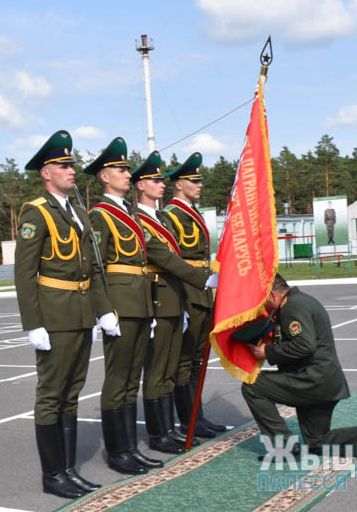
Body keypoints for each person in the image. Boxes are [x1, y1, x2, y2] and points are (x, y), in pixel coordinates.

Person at [15, 130, 113, 499]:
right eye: (63, 165)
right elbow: (24, 274)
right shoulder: (36, 212)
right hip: (54, 318)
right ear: (46, 172)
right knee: (51, 394)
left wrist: (99, 313)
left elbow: (92, 268)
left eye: (71, 165)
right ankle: (52, 474)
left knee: (71, 393)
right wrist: (33, 324)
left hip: (80, 313)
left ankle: (68, 469)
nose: (71, 170)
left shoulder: (78, 212)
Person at [242, 274, 357, 458]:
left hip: (312, 380)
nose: (263, 306)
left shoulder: (292, 306)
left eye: (263, 300)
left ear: (273, 295)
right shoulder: (301, 301)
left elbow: (304, 345)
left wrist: (268, 352)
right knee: (316, 442)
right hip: (324, 381)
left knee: (252, 386)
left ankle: (285, 448)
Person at [85, 137, 161, 475]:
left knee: (132, 379)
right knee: (117, 379)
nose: (127, 174)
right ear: (104, 176)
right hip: (120, 304)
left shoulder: (128, 212)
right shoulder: (100, 215)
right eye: (121, 169)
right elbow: (95, 267)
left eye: (128, 169)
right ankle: (117, 452)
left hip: (140, 301)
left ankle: (130, 448)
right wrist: (104, 310)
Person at [131, 152, 215, 455]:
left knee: (185, 363)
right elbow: (169, 258)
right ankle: (171, 427)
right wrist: (204, 279)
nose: (160, 184)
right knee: (169, 366)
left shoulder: (167, 216)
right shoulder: (161, 216)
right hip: (175, 291)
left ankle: (185, 422)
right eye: (155, 179)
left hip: (186, 290)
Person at [162, 152, 228, 439]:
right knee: (185, 361)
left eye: (200, 180)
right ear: (178, 184)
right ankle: (188, 419)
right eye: (194, 180)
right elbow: (174, 260)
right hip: (188, 292)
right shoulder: (171, 215)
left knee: (198, 360)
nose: (200, 185)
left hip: (203, 291)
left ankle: (197, 418)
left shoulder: (192, 212)